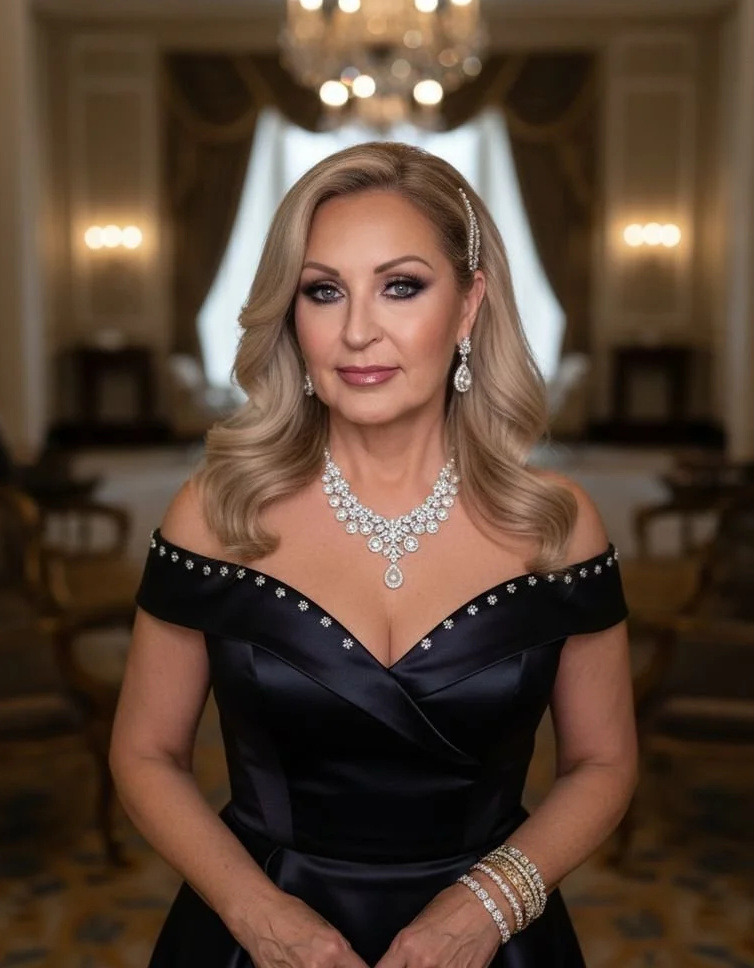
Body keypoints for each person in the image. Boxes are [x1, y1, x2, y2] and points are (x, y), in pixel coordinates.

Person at [110, 141, 637, 968]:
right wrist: (260, 919)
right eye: (323, 291)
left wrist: (483, 911)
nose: (357, 331)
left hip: (494, 942)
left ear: (468, 305)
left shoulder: (558, 524)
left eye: (401, 286)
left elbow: (604, 763)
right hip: (252, 942)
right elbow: (144, 754)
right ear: (291, 313)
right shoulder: (217, 514)